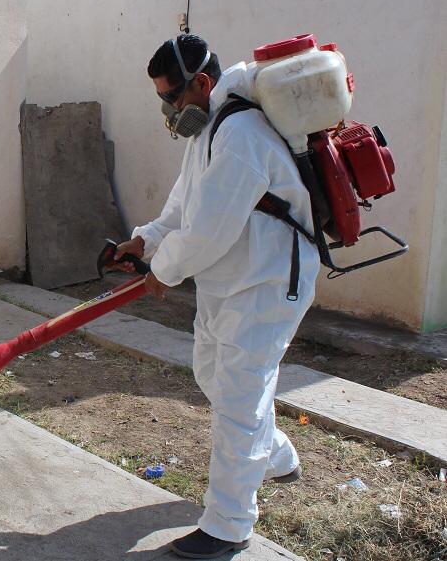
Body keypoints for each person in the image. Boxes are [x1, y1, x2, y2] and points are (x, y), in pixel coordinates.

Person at [115, 34, 319, 559]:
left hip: (267, 284)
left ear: (202, 83)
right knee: (211, 372)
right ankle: (275, 456)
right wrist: (146, 241)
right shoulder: (207, 132)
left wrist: (162, 271)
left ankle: (228, 524)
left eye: (171, 97)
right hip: (230, 283)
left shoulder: (241, 135)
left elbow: (208, 231)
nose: (168, 110)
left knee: (239, 395)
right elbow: (184, 209)